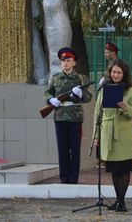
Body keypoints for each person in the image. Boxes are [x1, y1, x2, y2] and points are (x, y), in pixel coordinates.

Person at [92, 59, 132, 212]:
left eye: (119, 72)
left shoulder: (130, 91)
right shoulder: (104, 88)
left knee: (123, 168)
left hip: (124, 132)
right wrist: (96, 135)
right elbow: (97, 113)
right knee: (113, 168)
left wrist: (126, 108)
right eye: (113, 72)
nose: (116, 75)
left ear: (124, 74)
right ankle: (118, 200)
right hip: (107, 131)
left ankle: (122, 201)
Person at [44, 47, 92, 184]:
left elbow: (88, 97)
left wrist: (80, 94)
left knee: (75, 149)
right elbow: (48, 93)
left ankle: (73, 178)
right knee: (62, 149)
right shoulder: (55, 78)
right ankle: (64, 177)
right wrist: (51, 100)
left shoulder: (81, 78)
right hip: (60, 117)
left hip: (75, 117)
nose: (65, 63)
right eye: (63, 61)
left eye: (68, 60)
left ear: (74, 63)